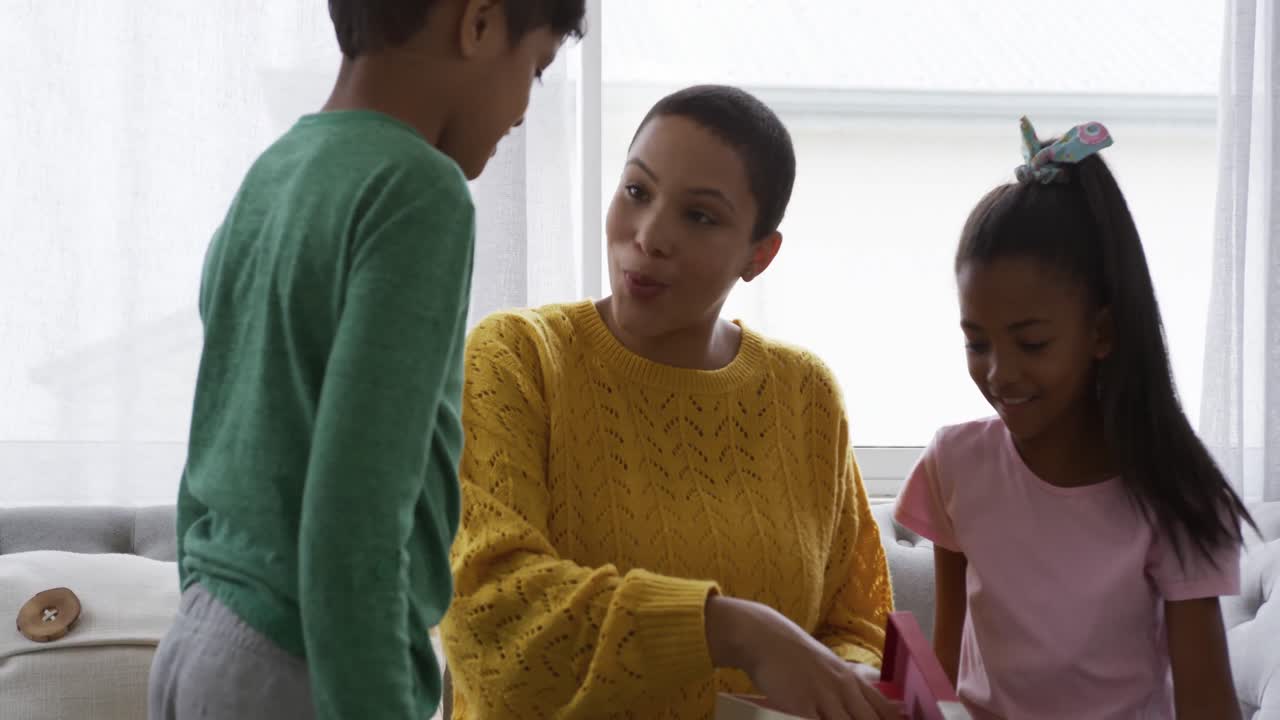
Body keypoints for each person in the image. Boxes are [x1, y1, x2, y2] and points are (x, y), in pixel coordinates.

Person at [147, 2, 585, 719]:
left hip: (199, 644)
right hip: (301, 667)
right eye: (534, 70)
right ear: (477, 23)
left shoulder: (277, 172)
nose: (523, 111)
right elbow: (357, 518)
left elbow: (206, 457)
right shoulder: (418, 191)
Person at [441, 85, 898, 720]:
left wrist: (847, 677)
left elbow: (858, 622)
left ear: (758, 256)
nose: (650, 236)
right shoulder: (517, 359)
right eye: (637, 192)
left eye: (701, 216)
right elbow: (492, 623)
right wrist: (735, 631)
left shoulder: (806, 396)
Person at [895, 118, 1257, 719]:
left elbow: (1206, 707)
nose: (999, 374)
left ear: (1102, 332)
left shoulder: (1172, 493)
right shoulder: (955, 464)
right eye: (976, 343)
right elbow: (946, 685)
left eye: (1031, 344)